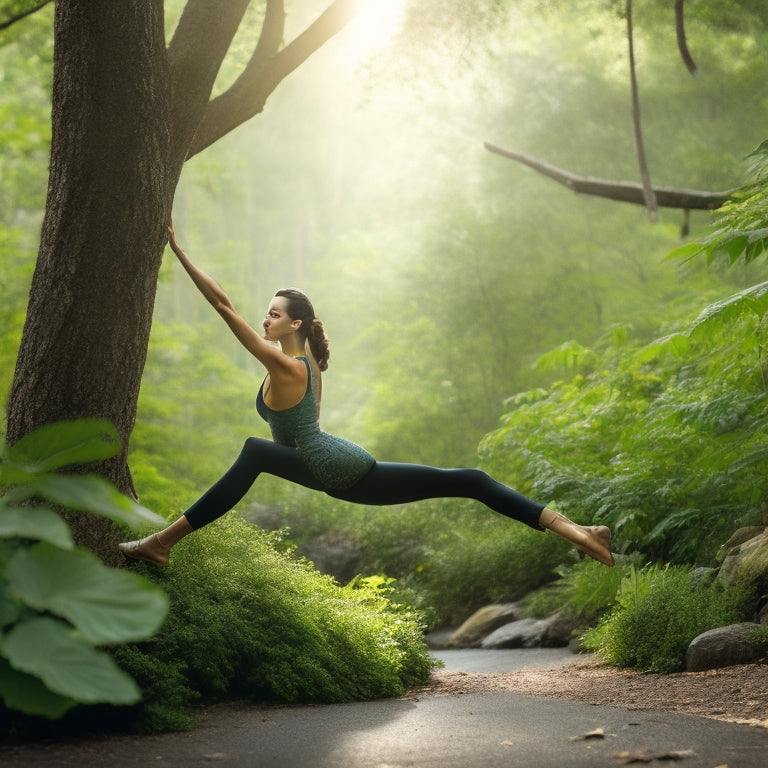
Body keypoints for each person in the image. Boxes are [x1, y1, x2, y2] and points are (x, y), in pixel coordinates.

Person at [119, 226, 614, 568]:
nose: (264, 319)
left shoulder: (289, 365)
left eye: (273, 314)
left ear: (294, 324)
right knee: (469, 479)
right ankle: (577, 532)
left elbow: (223, 305)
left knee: (255, 453)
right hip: (340, 470)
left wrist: (178, 252)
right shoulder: (310, 366)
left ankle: (162, 543)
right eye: (265, 313)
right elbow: (302, 432)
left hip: (340, 469)